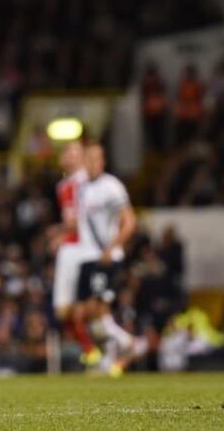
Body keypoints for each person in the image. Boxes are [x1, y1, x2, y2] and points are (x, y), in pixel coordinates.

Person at [74, 141, 139, 376]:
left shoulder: (112, 187)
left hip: (104, 257)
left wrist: (112, 248)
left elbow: (130, 221)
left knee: (96, 310)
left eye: (95, 159)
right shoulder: (82, 187)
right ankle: (115, 351)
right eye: (87, 159)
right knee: (87, 314)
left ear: (102, 161)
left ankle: (126, 345)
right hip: (86, 256)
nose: (90, 163)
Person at [48, 140, 99, 366]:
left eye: (73, 151)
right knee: (64, 311)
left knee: (86, 308)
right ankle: (93, 349)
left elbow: (82, 220)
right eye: (65, 150)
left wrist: (58, 232)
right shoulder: (63, 186)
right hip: (70, 248)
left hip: (84, 250)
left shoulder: (87, 183)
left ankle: (96, 351)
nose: (66, 154)